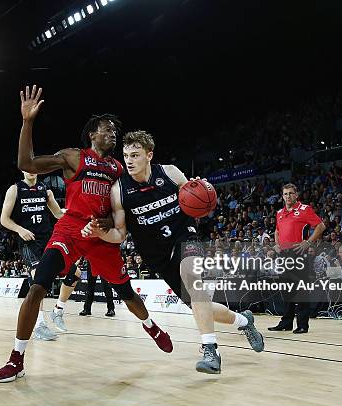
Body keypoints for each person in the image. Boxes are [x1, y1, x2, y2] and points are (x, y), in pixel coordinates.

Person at [0, 85, 172, 383]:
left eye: (115, 129)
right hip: (70, 229)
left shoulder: (118, 168)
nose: (113, 133)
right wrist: (27, 121)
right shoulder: (74, 157)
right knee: (38, 286)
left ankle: (151, 325)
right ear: (92, 134)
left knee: (126, 292)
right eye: (107, 129)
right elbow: (26, 164)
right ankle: (16, 358)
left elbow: (125, 205)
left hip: (101, 235)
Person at [82, 130, 264, 374]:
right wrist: (99, 233)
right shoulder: (119, 190)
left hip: (184, 237)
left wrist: (200, 189)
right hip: (157, 256)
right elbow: (120, 234)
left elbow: (194, 195)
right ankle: (244, 321)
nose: (129, 160)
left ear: (149, 155)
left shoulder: (169, 172)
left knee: (193, 280)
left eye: (135, 155)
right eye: (126, 155)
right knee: (200, 306)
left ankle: (211, 351)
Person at [0, 170, 72, 340]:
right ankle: (39, 324)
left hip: (48, 239)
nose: (31, 170)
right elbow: (4, 219)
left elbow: (58, 214)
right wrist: (19, 229)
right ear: (22, 170)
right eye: (27, 167)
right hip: (28, 241)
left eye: (34, 167)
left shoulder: (45, 190)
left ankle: (58, 310)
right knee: (38, 277)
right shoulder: (15, 189)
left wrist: (74, 212)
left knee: (74, 273)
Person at [268, 183, 326, 334]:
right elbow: (277, 230)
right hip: (284, 255)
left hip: (299, 253)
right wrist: (277, 244)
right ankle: (286, 322)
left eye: (291, 193)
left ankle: (302, 324)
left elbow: (321, 226)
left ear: (296, 195)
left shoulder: (304, 209)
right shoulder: (280, 212)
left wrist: (308, 242)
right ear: (282, 196)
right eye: (285, 194)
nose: (288, 196)